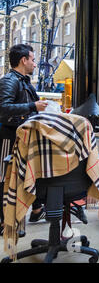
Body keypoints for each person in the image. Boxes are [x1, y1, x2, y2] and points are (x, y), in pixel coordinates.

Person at [0, 44, 48, 235]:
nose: (35, 64)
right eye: (33, 59)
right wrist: (33, 105)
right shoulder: (9, 81)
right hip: (9, 138)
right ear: (23, 60)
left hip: (23, 136)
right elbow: (3, 108)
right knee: (4, 178)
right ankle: (5, 221)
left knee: (29, 174)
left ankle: (36, 210)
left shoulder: (24, 81)